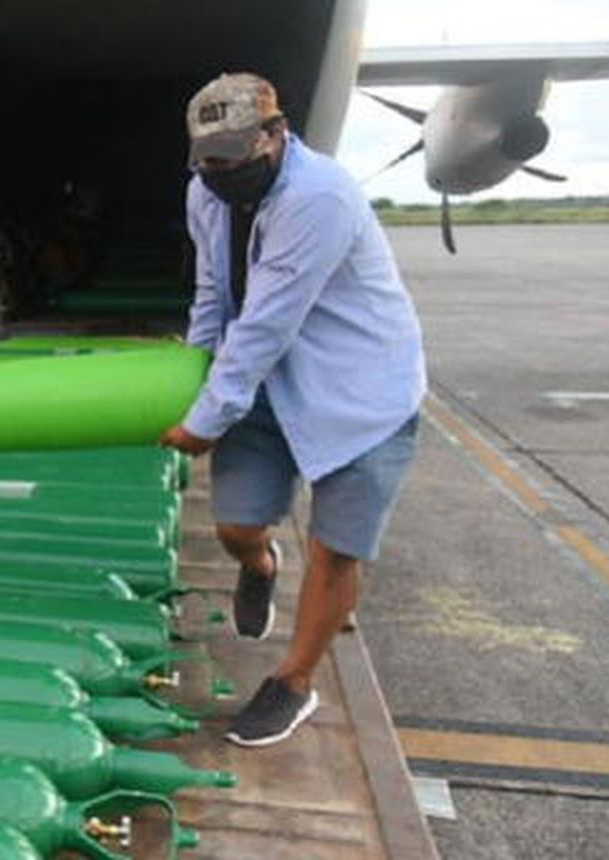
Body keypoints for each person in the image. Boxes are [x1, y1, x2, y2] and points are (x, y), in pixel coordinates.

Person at [161, 73, 425, 747]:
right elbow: (212, 295)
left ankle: (295, 682)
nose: (220, 173)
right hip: (265, 384)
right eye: (207, 160)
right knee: (235, 526)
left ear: (276, 133)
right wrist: (190, 380)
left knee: (335, 550)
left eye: (232, 157)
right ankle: (260, 565)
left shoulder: (319, 197)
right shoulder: (205, 191)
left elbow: (266, 322)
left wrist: (205, 420)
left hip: (357, 391)